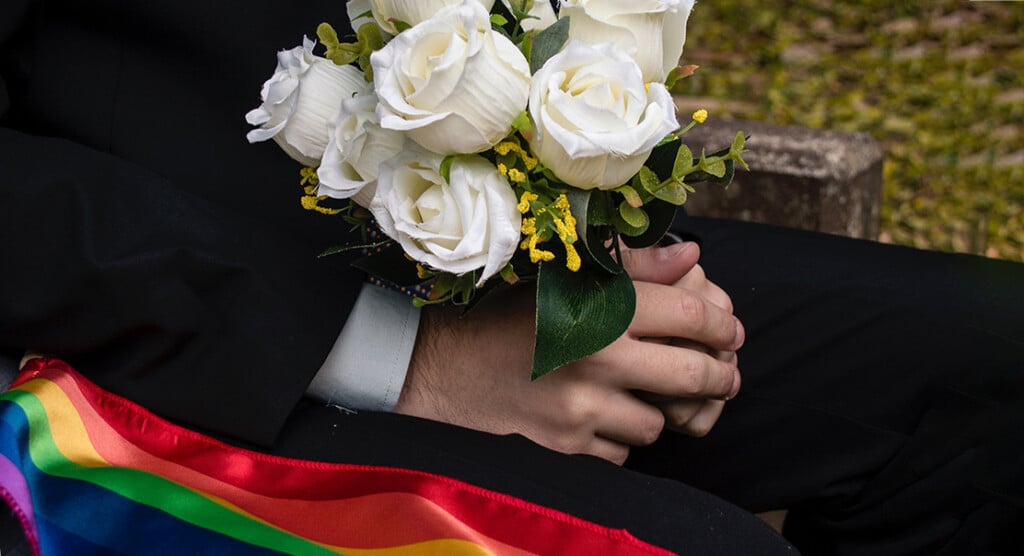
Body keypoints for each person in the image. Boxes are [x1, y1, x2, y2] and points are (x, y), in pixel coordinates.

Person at [1, 1, 1020, 554]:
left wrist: (574, 219)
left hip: (427, 235)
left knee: (983, 377)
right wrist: (402, 357)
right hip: (127, 329)